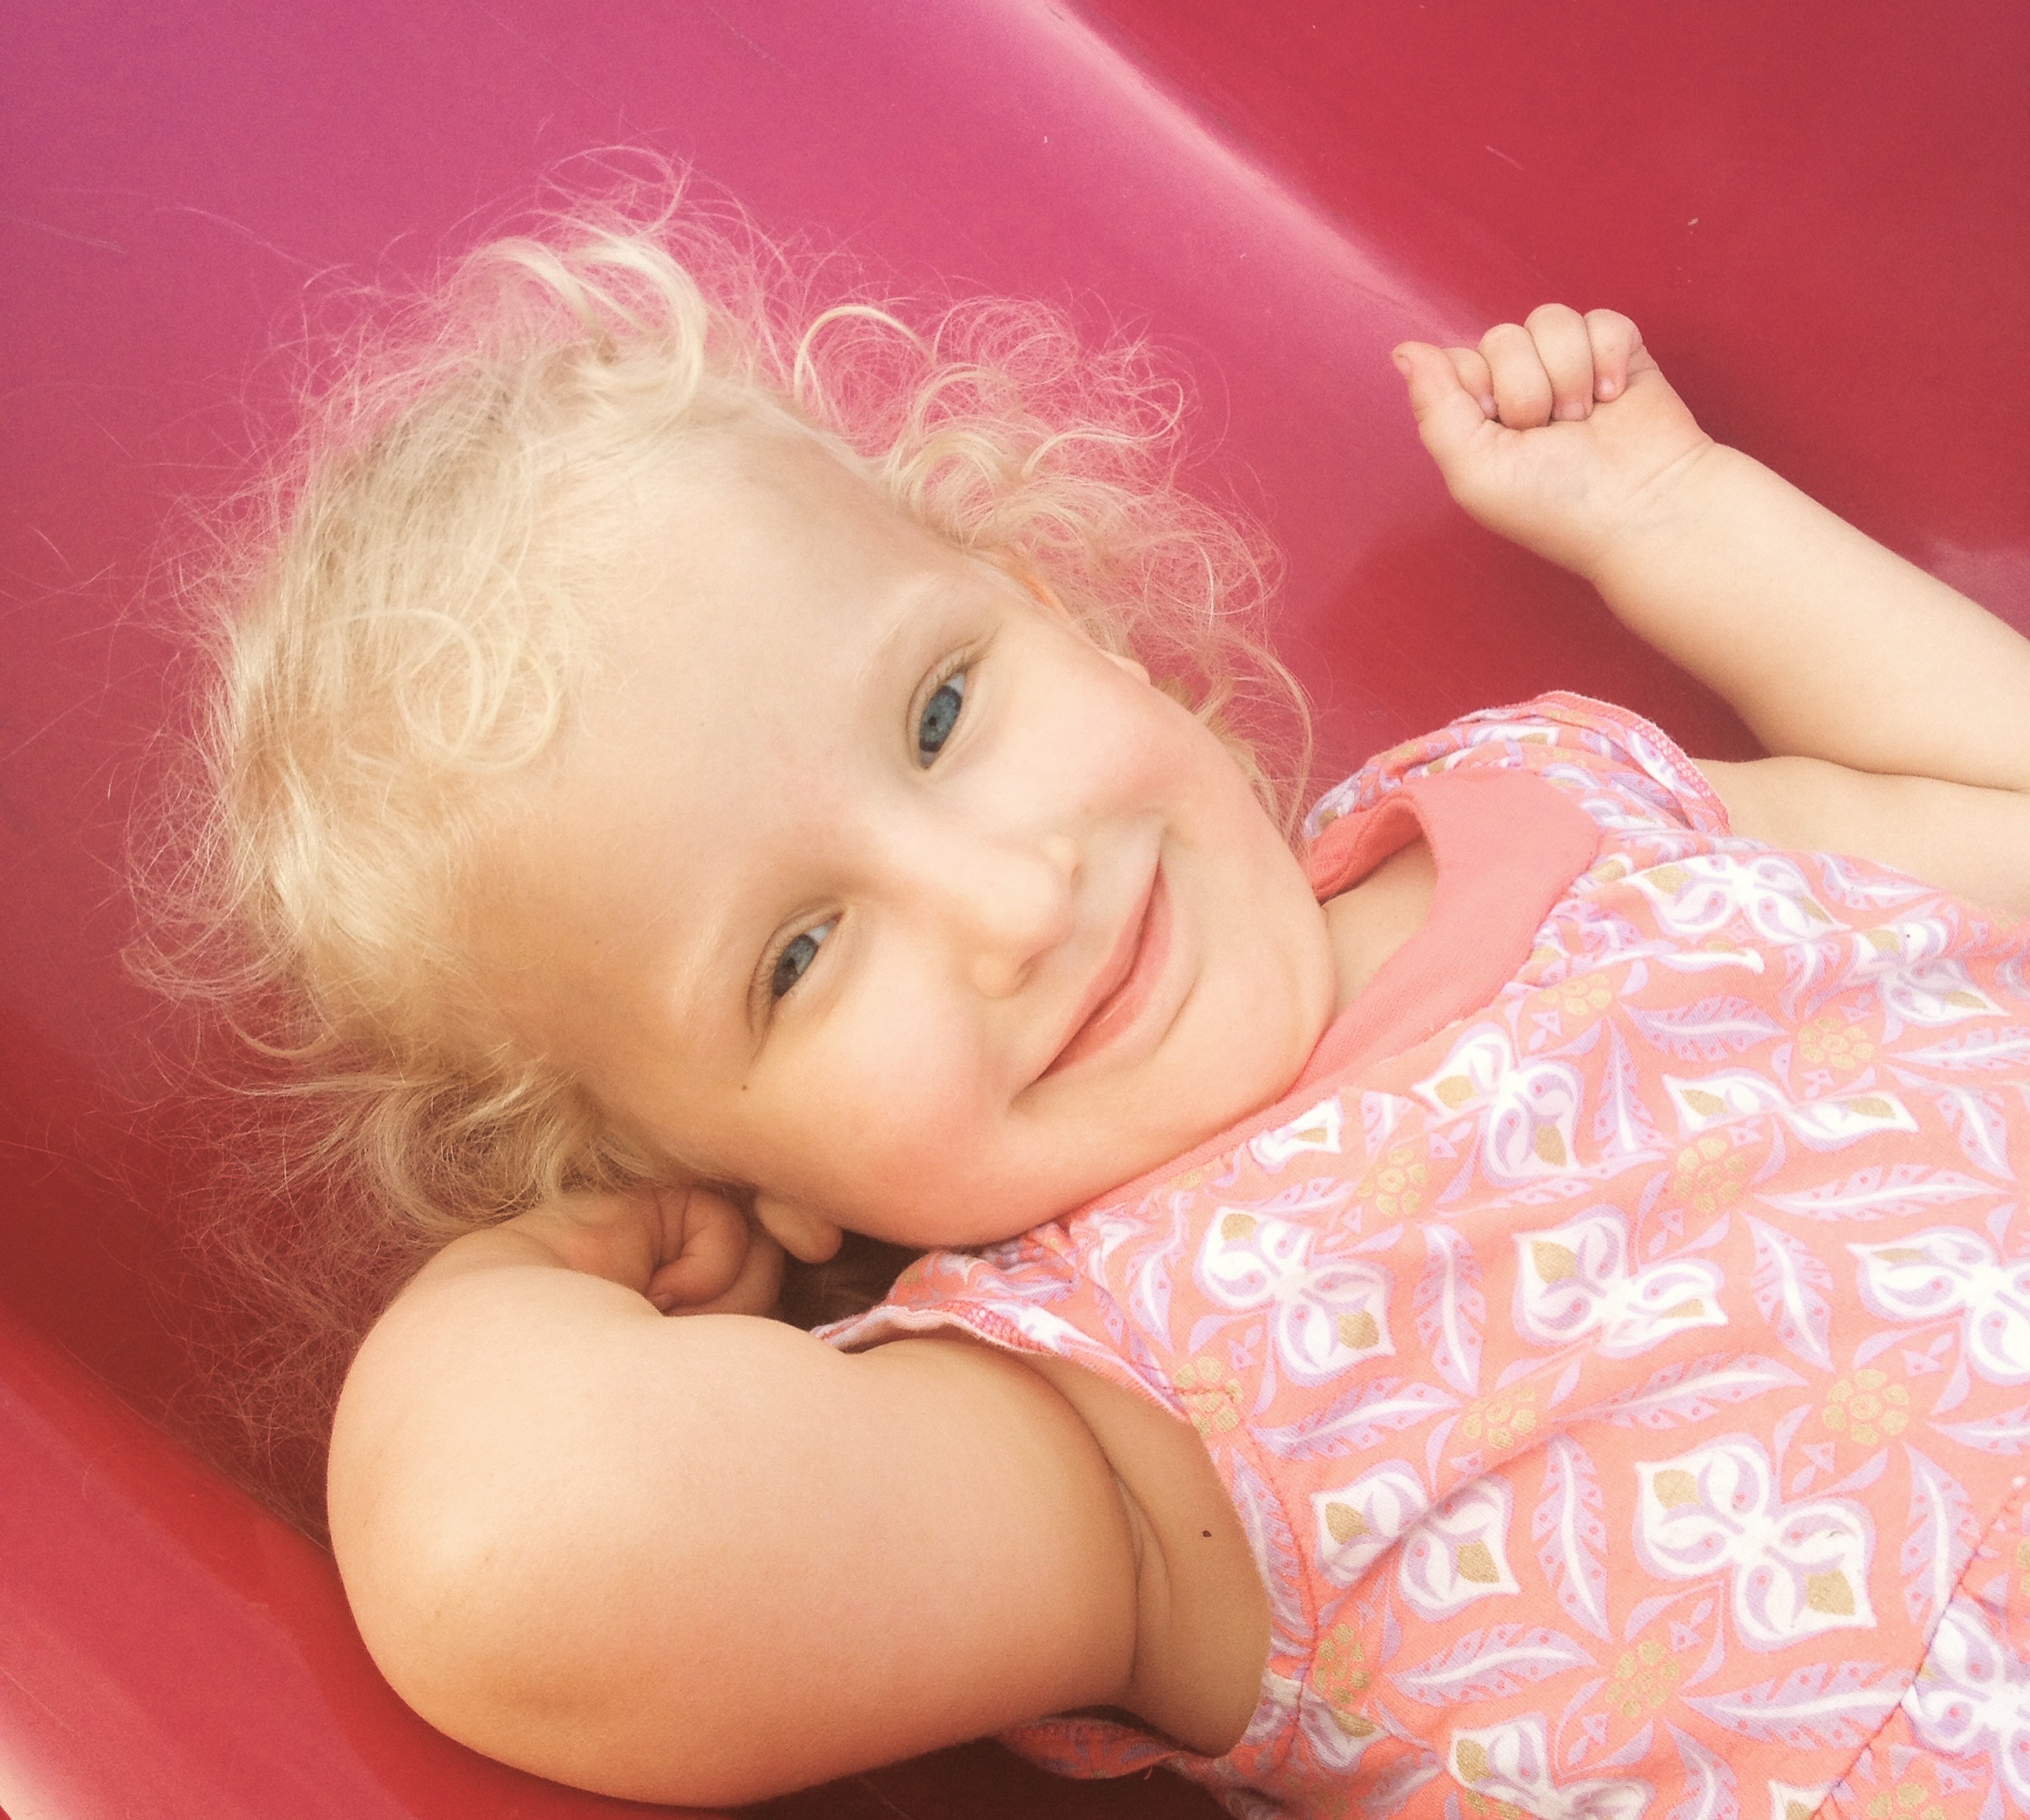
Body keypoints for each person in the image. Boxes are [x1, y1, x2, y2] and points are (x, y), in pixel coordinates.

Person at [205, 209, 2030, 1817]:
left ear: (1055, 610)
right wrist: (535, 1269)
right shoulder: (1106, 1421)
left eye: (939, 713)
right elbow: (517, 1569)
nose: (1009, 905)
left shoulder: (1551, 795)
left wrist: (1677, 515)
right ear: (763, 1181)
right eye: (798, 959)